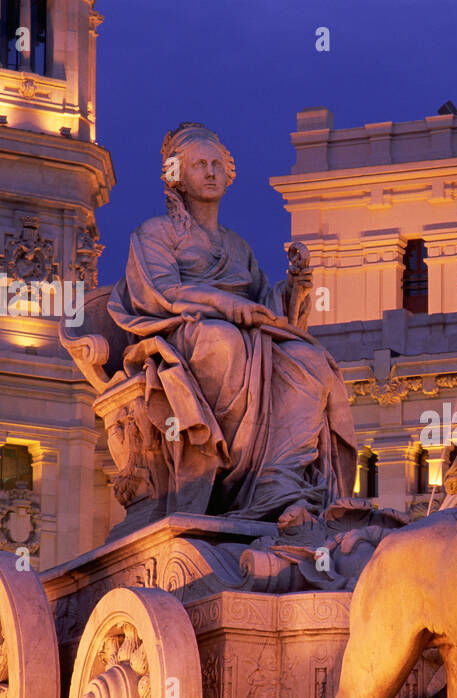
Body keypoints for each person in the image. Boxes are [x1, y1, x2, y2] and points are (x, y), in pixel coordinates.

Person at [106, 123, 356, 520]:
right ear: (177, 177)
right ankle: (231, 478)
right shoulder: (155, 233)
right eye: (199, 165)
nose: (209, 172)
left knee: (311, 361)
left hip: (249, 337)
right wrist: (223, 304)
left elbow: (267, 307)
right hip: (181, 336)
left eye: (216, 164)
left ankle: (277, 476)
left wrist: (294, 287)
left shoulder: (238, 246)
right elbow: (162, 293)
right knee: (225, 342)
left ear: (228, 174)